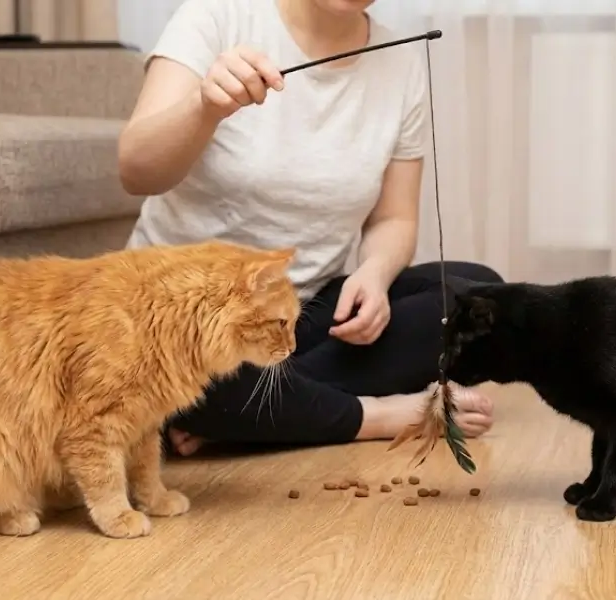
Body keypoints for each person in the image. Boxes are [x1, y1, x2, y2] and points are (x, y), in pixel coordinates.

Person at [117, 0, 503, 457]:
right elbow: (136, 173)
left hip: (299, 315)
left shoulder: (400, 63)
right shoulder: (215, 16)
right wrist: (204, 106)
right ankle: (369, 415)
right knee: (192, 364)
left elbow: (394, 218)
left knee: (483, 297)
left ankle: (241, 414)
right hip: (175, 320)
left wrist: (374, 275)